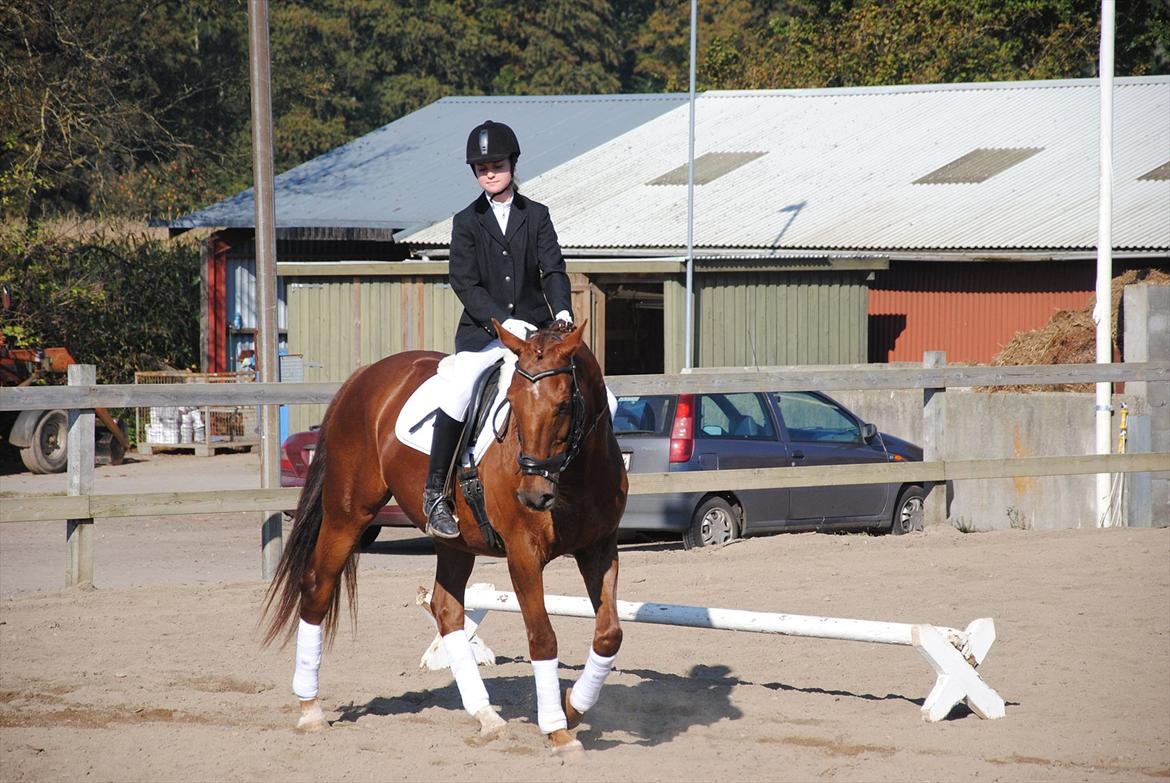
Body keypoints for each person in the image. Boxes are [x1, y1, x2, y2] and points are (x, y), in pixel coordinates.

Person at [423, 120, 573, 539]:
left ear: (512, 164)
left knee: (593, 396)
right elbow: (464, 282)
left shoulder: (537, 215)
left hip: (535, 336)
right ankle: (435, 492)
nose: (489, 172)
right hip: (483, 335)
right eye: (481, 167)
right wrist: (501, 321)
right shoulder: (466, 221)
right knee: (459, 389)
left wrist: (561, 312)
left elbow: (553, 270)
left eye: (497, 164)